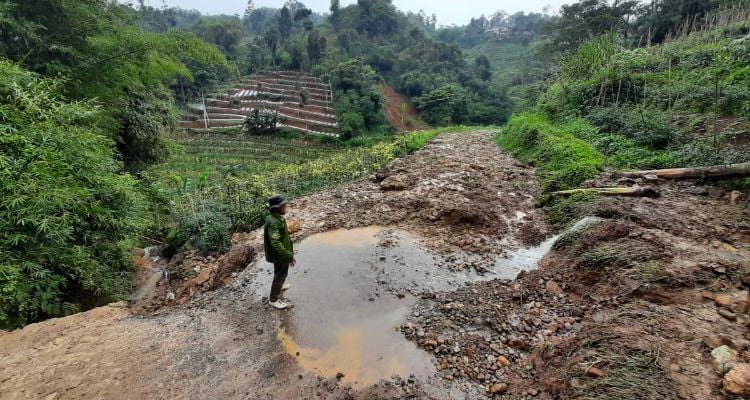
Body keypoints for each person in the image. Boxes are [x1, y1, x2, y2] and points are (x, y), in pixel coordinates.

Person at [264, 195, 296, 309]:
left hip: (281, 254)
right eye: (283, 205)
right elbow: (276, 243)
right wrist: (289, 255)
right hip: (279, 255)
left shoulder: (277, 217)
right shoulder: (273, 222)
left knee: (280, 273)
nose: (285, 207)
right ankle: (273, 299)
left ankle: (280, 286)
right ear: (277, 207)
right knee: (280, 275)